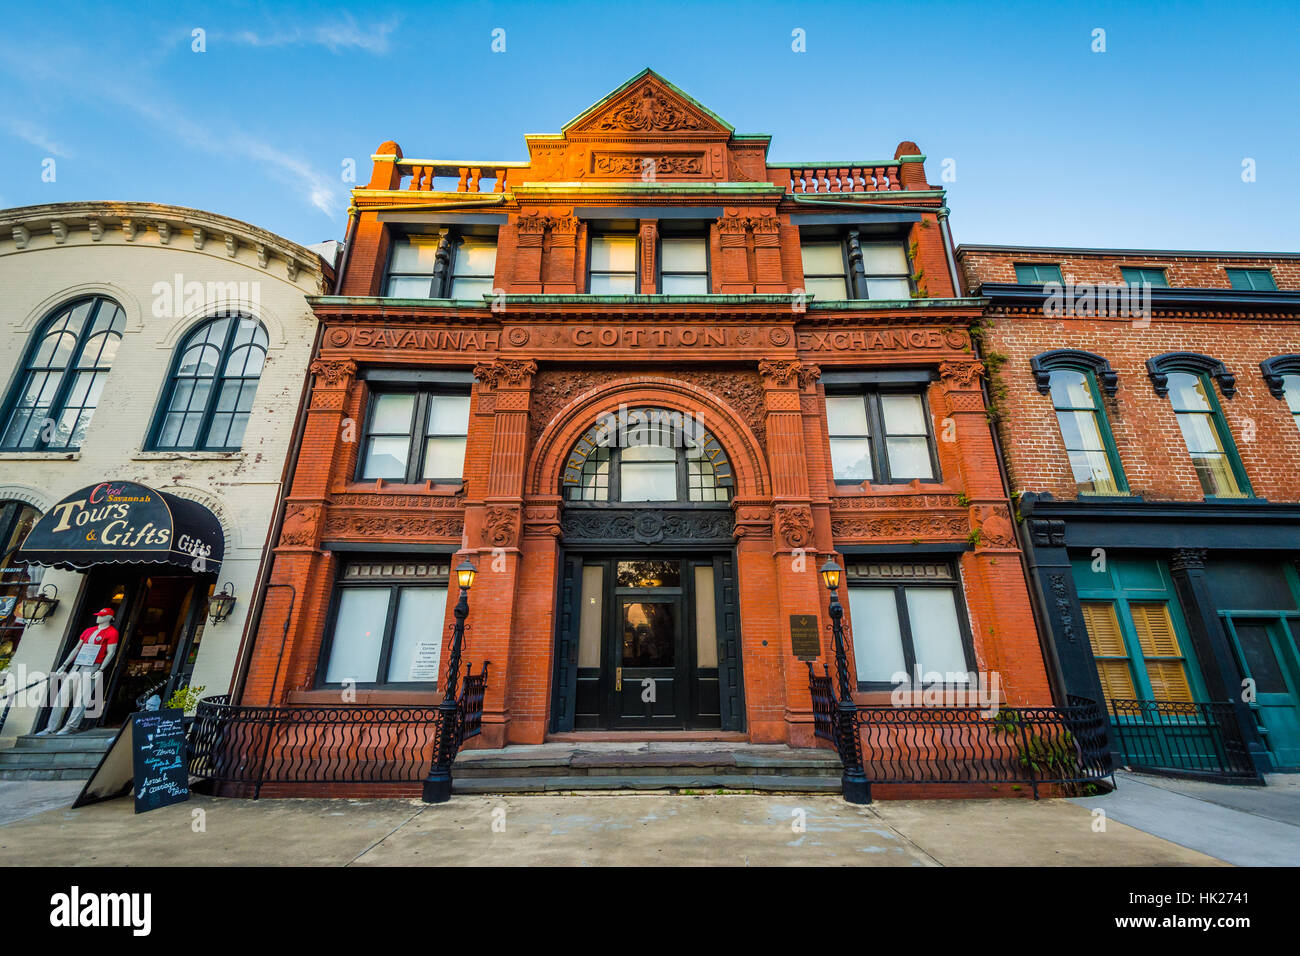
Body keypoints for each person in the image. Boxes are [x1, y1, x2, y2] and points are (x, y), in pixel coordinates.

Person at [36, 607, 119, 736]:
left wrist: (101, 668)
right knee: (62, 696)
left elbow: (111, 652)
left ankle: (71, 726)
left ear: (109, 617)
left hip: (93, 665)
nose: (99, 617)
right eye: (98, 615)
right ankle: (51, 727)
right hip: (77, 664)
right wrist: (64, 665)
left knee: (82, 698)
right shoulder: (89, 630)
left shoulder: (112, 632)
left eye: (102, 616)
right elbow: (76, 648)